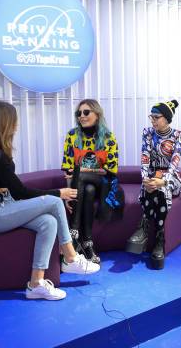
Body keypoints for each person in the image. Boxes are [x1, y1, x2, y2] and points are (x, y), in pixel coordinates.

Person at [0, 100, 99, 301]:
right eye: (14, 120)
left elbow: (15, 191)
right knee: (55, 202)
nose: (17, 125)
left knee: (48, 222)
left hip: (3, 204)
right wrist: (59, 193)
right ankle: (71, 257)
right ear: (4, 123)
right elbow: (20, 192)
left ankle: (36, 284)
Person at [126, 100, 181, 269]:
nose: (152, 120)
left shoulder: (179, 135)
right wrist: (145, 179)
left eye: (156, 117)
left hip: (171, 176)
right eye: (151, 116)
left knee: (162, 188)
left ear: (167, 118)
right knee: (153, 188)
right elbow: (144, 158)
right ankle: (154, 237)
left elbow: (175, 162)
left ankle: (150, 232)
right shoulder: (147, 133)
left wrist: (164, 180)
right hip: (152, 175)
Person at [61, 99, 119, 264]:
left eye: (86, 112)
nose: (82, 116)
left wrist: (84, 171)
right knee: (88, 191)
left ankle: (73, 233)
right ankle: (87, 243)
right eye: (79, 113)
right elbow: (68, 170)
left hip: (105, 183)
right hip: (83, 185)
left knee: (83, 177)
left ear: (97, 114)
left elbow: (110, 170)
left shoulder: (108, 137)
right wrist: (69, 196)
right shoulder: (72, 135)